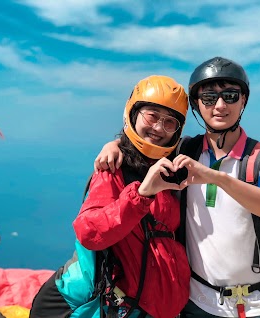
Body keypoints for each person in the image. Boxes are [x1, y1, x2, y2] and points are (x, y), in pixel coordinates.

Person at [95, 57, 260, 318]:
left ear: (243, 100)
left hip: (257, 304)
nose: (219, 105)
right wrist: (115, 145)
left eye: (230, 95)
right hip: (196, 301)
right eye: (208, 98)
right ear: (197, 105)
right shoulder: (185, 151)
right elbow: (148, 143)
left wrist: (217, 177)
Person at [70, 75, 190, 318]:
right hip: (126, 308)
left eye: (169, 122)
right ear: (133, 113)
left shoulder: (174, 168)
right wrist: (141, 195)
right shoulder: (113, 170)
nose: (158, 128)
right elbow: (88, 232)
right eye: (152, 115)